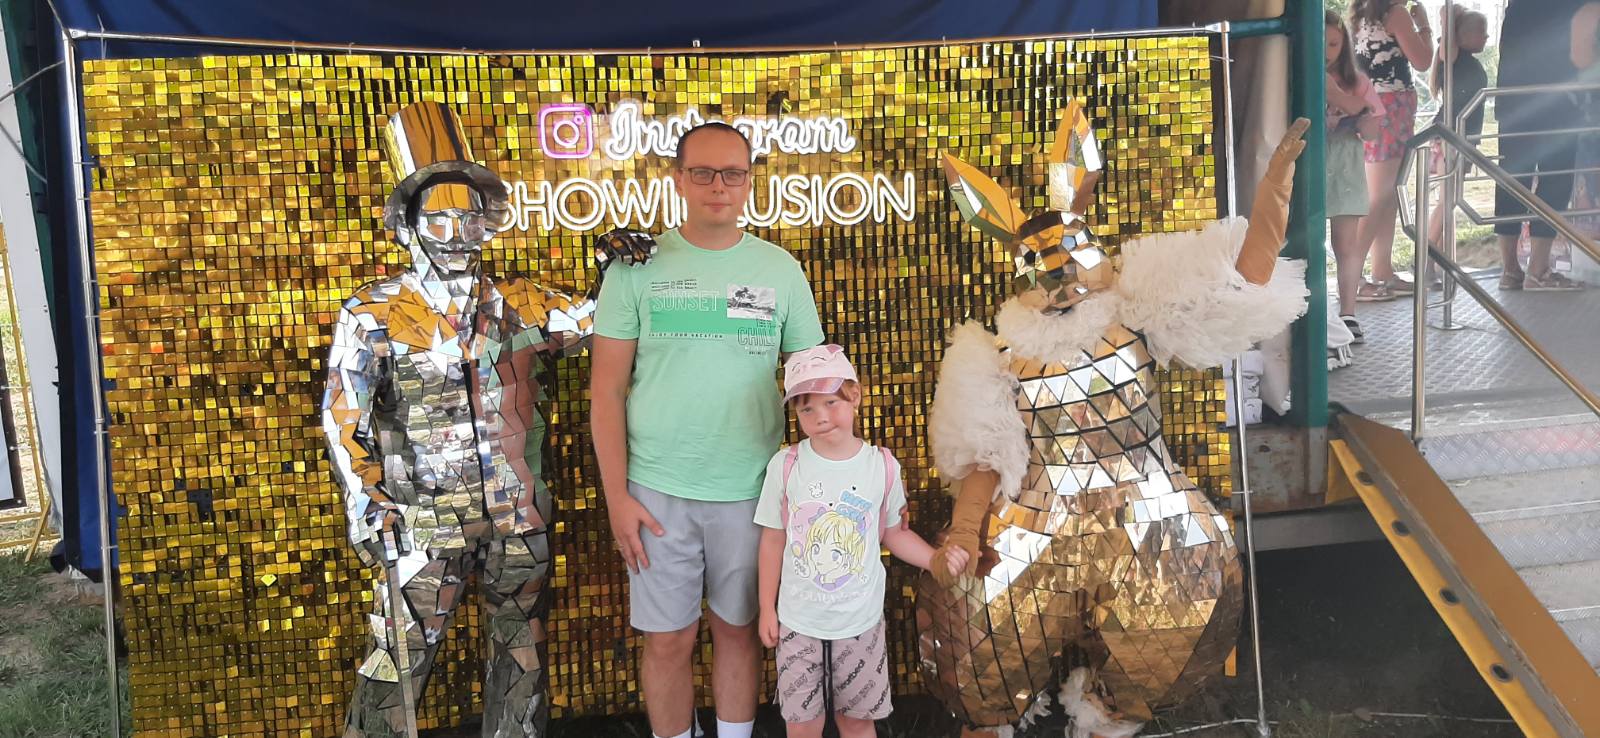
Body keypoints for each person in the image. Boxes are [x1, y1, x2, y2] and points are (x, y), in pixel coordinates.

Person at [323, 101, 649, 738]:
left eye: (469, 217)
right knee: (399, 659)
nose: (456, 233)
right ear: (409, 225)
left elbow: (598, 322)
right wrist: (368, 502)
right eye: (439, 218)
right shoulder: (373, 313)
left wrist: (617, 266)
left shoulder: (520, 301)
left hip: (518, 511)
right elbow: (344, 415)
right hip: (420, 517)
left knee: (522, 654)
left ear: (485, 225)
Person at [590, 121, 826, 738]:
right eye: (703, 172)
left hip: (752, 491)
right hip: (655, 493)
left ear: (749, 182)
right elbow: (606, 392)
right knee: (667, 640)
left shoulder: (779, 270)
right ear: (678, 180)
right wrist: (617, 499)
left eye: (733, 173)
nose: (718, 185)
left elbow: (815, 383)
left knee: (739, 631)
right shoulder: (635, 269)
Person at [754, 345, 967, 738]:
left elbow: (894, 533)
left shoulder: (881, 466)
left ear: (855, 396)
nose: (820, 417)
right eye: (807, 409)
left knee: (857, 722)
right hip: (799, 623)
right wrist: (767, 607)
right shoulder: (786, 466)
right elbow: (772, 539)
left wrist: (936, 560)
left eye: (831, 402)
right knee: (802, 725)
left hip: (860, 624)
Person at [1495, 0, 1590, 290]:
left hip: (1512, 101)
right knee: (1555, 181)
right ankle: (1538, 268)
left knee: (1512, 181)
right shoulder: (1573, 4)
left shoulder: (1517, 7)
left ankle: (1510, 270)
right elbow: (1581, 56)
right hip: (1557, 103)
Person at [1350, 0, 1433, 300]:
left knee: (1387, 194)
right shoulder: (1395, 14)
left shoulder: (1361, 14)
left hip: (1375, 106)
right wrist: (1425, 26)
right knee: (1380, 195)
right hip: (1391, 108)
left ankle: (1381, 269)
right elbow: (1422, 60)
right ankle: (1353, 277)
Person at [1326, 9, 1387, 364]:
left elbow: (1373, 131)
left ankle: (1347, 312)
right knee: (1307, 243)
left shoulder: (1358, 81)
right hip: (1311, 166)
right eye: (1320, 44)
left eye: (1333, 44)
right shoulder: (1301, 77)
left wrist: (1360, 117)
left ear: (1345, 45)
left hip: (1346, 167)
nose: (1327, 52)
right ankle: (1314, 312)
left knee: (1346, 245)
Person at [1425, 8, 1491, 266]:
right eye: (1481, 32)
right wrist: (1447, 20)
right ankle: (1426, 256)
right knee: (1448, 199)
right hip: (1452, 135)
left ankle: (1436, 259)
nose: (1486, 37)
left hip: (1462, 135)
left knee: (1449, 200)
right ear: (1461, 36)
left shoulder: (1463, 60)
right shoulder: (1454, 58)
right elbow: (1446, 49)